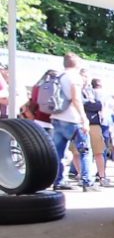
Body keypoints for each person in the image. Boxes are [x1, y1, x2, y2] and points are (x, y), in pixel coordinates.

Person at [51, 53, 99, 192]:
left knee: (59, 153)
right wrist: (84, 118)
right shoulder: (75, 77)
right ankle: (87, 182)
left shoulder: (58, 76)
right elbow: (76, 98)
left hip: (57, 117)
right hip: (73, 119)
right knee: (85, 151)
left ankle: (58, 181)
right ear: (76, 63)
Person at [22, 70, 58, 135]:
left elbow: (34, 102)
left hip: (38, 120)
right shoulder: (56, 88)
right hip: (51, 121)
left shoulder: (37, 86)